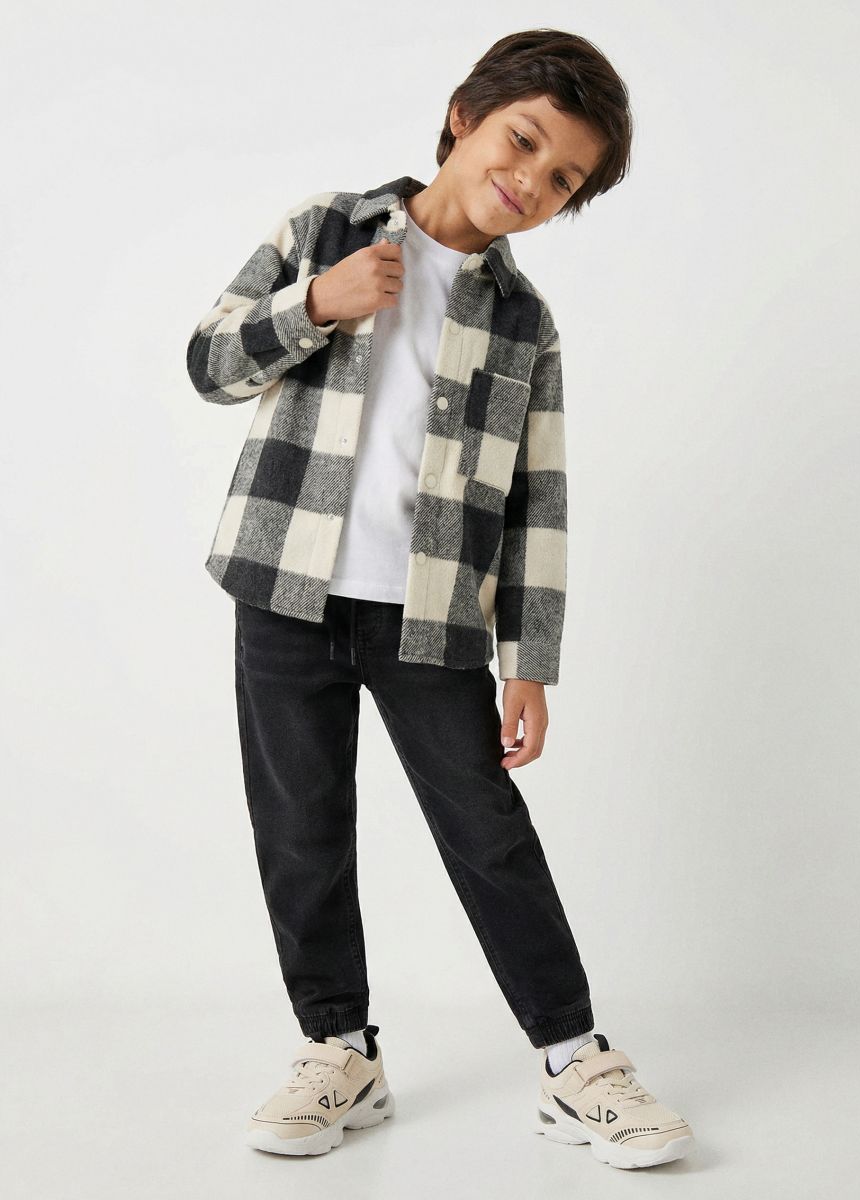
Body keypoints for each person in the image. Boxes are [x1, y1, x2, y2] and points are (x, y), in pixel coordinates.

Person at [185, 27, 694, 1170]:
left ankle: (574, 1060)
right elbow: (208, 364)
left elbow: (538, 502)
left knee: (487, 832)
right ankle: (339, 1049)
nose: (532, 179)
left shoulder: (523, 323)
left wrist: (530, 661)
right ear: (465, 116)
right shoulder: (325, 229)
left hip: (430, 616)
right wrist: (315, 305)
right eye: (524, 140)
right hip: (283, 589)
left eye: (563, 179)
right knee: (301, 828)